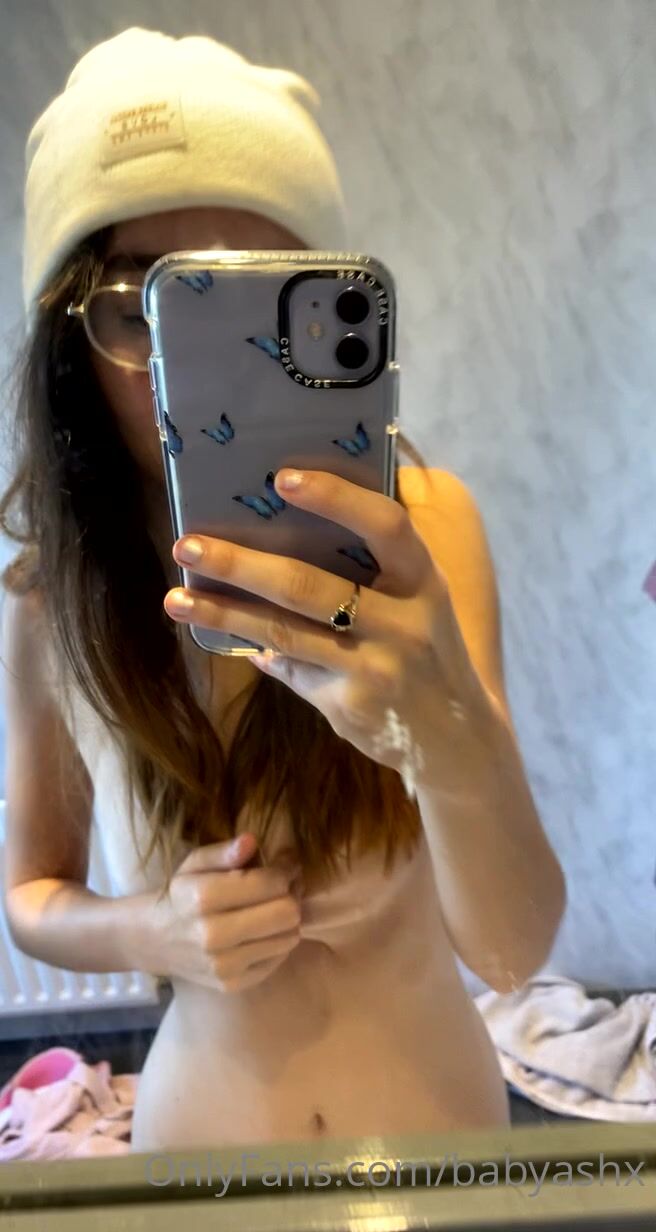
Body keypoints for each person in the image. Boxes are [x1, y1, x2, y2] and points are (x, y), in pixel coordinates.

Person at [0, 28, 565, 1151]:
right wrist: (152, 930)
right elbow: (33, 896)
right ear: (71, 341)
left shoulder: (424, 529)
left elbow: (509, 953)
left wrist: (446, 731)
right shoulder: (52, 599)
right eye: (147, 308)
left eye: (254, 307)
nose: (196, 375)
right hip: (195, 1163)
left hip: (435, 1155)